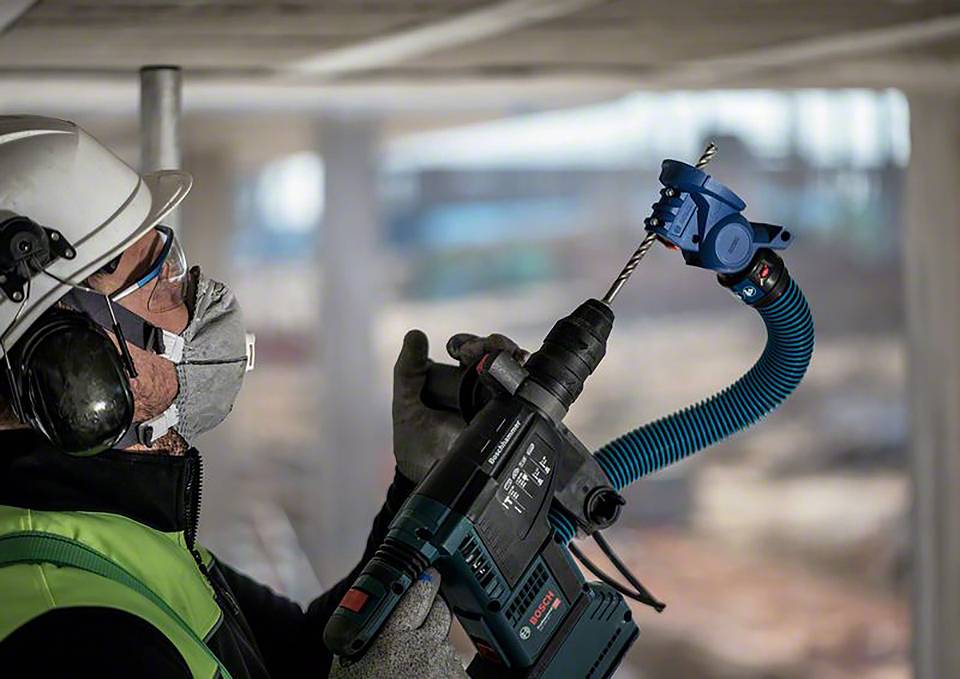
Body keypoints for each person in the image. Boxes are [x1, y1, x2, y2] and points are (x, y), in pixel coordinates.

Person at [0, 115, 524, 678]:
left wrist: (431, 487)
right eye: (160, 278)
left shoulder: (108, 537)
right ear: (71, 356)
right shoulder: (79, 643)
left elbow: (297, 657)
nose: (197, 301)